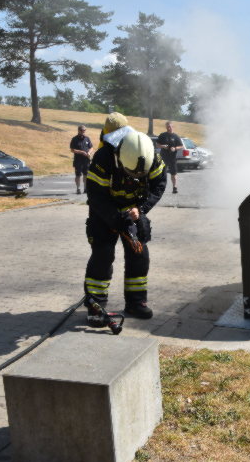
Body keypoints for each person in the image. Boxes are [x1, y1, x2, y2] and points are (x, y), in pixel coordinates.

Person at [82, 112, 167, 320]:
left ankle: (136, 303)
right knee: (103, 255)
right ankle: (96, 308)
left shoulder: (151, 155)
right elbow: (96, 196)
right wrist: (116, 219)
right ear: (120, 158)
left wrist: (142, 209)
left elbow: (159, 184)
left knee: (139, 255)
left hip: (134, 209)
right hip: (104, 211)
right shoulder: (103, 158)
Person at [156, 121, 183, 194]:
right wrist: (163, 146)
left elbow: (181, 146)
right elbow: (157, 145)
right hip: (163, 157)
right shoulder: (162, 135)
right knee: (161, 173)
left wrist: (175, 148)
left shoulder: (176, 136)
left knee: (173, 173)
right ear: (166, 127)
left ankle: (175, 187)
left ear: (173, 127)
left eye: (170, 126)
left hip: (172, 158)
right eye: (168, 127)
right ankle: (160, 188)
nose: (169, 128)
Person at [69, 125, 93, 194]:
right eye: (82, 130)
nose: (83, 132)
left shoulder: (87, 138)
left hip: (86, 160)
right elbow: (72, 150)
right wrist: (81, 152)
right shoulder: (74, 139)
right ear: (78, 130)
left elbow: (91, 147)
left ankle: (85, 188)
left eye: (84, 130)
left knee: (86, 174)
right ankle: (78, 188)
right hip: (78, 160)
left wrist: (89, 152)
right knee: (78, 175)